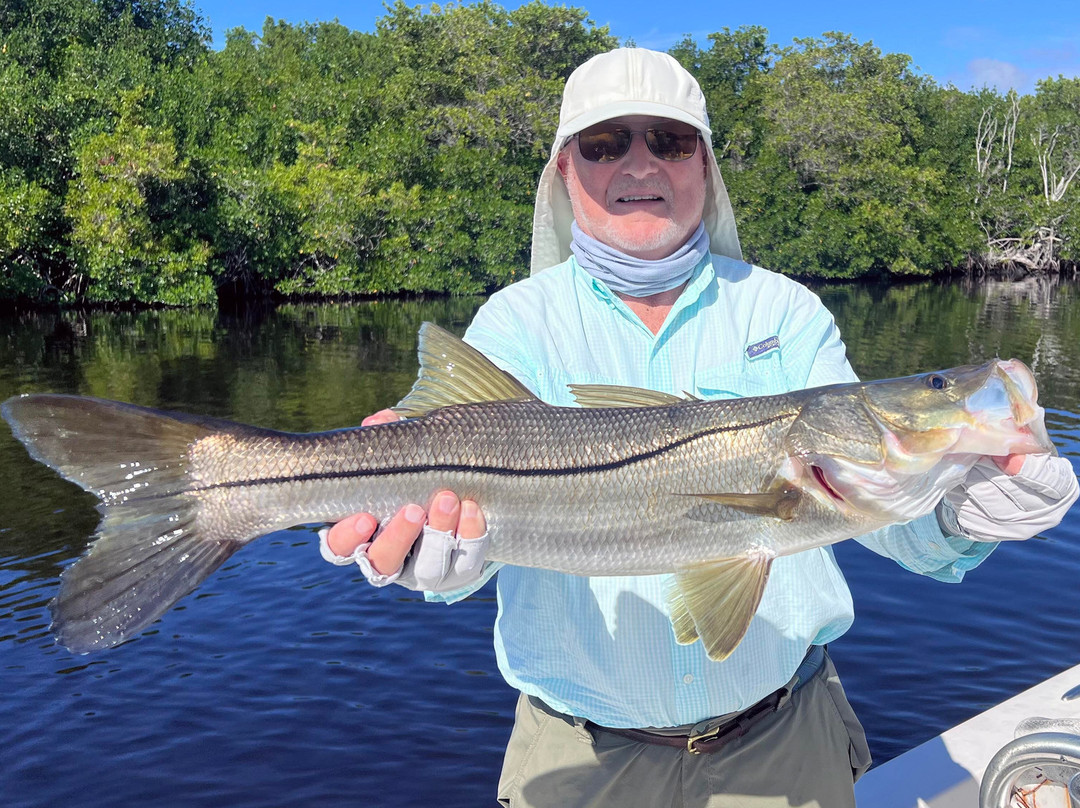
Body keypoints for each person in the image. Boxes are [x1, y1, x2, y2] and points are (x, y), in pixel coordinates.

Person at [320, 48, 1079, 807]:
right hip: (579, 761)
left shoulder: (784, 311)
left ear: (707, 167)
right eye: (605, 143)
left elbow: (887, 522)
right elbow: (478, 543)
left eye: (672, 141)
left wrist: (966, 515)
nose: (640, 163)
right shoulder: (516, 322)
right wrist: (436, 563)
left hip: (788, 743)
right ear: (563, 171)